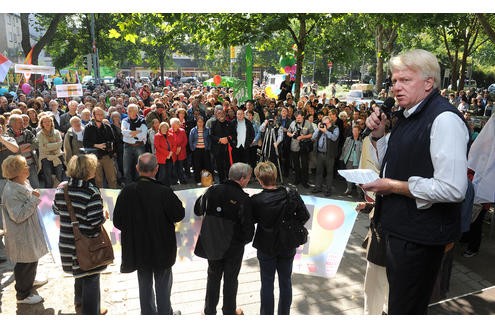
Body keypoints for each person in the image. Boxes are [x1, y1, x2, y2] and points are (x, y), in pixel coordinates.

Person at [362, 49, 469, 314]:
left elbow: (454, 189)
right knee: (399, 304)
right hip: (399, 231)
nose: (396, 87)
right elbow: (397, 160)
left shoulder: (444, 120)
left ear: (429, 83)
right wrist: (378, 136)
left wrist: (394, 187)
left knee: (406, 309)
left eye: (405, 80)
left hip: (420, 238)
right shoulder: (406, 115)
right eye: (394, 80)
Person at [113, 153, 185, 315]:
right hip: (162, 247)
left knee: (144, 283)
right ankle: (165, 313)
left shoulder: (127, 192)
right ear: (157, 169)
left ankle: (148, 314)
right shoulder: (164, 191)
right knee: (163, 284)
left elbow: (118, 222)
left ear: (137, 168)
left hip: (138, 248)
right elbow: (179, 214)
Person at [193, 162, 254, 315]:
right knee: (231, 279)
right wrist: (240, 242)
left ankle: (209, 310)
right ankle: (229, 311)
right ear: (242, 178)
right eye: (248, 178)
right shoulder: (243, 198)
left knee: (213, 276)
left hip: (212, 243)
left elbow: (198, 209)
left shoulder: (211, 190)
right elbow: (248, 231)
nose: (248, 181)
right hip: (233, 247)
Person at [250, 161, 309, 315]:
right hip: (287, 243)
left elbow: (251, 220)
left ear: (259, 180)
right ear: (275, 176)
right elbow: (304, 216)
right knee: (285, 281)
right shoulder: (291, 193)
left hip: (266, 245)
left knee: (267, 283)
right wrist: (289, 225)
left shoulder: (256, 200)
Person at [52, 154, 108, 315]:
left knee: (79, 274)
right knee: (91, 277)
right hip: (87, 245)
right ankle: (91, 312)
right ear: (88, 170)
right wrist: (104, 216)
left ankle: (80, 305)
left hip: (68, 241)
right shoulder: (91, 191)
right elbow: (94, 221)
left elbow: (56, 209)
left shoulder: (61, 187)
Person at [1, 155, 48, 304]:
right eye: (24, 167)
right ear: (17, 172)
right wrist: (34, 199)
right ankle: (23, 294)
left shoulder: (22, 182)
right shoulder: (11, 192)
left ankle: (30, 281)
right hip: (21, 235)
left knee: (31, 259)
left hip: (28, 231)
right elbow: (18, 215)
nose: (28, 168)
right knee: (24, 263)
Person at [82, 107, 118, 188]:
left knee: (112, 178)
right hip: (95, 157)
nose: (100, 116)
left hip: (106, 156)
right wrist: (97, 145)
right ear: (94, 115)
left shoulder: (107, 127)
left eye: (102, 114)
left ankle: (114, 197)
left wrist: (109, 146)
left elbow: (113, 140)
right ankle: (99, 198)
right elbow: (85, 142)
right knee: (98, 180)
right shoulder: (88, 127)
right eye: (98, 114)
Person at [311, 115, 339, 196]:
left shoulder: (335, 128)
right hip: (320, 153)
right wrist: (318, 129)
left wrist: (325, 131)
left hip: (329, 154)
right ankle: (318, 187)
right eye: (323, 123)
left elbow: (334, 138)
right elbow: (313, 137)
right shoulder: (321, 127)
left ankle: (328, 189)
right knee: (319, 172)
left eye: (325, 123)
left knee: (329, 173)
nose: (324, 124)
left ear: (329, 122)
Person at [286, 110, 314, 188]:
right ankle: (297, 180)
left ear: (302, 116)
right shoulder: (293, 123)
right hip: (294, 146)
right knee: (296, 164)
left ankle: (305, 181)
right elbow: (288, 133)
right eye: (296, 118)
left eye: (299, 118)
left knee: (305, 164)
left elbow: (312, 134)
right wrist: (292, 135)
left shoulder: (308, 123)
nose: (297, 119)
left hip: (304, 146)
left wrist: (302, 137)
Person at [121, 103, 147, 185]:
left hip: (139, 146)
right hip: (127, 146)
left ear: (136, 111)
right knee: (126, 168)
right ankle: (128, 186)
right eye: (128, 110)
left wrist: (131, 134)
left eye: (131, 110)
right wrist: (137, 132)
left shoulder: (142, 120)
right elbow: (124, 132)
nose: (129, 112)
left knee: (139, 167)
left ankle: (139, 185)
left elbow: (143, 135)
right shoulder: (124, 121)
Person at [37, 115, 66, 188]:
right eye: (45, 122)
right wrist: (54, 145)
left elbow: (60, 145)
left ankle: (57, 196)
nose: (47, 123)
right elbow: (42, 148)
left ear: (51, 122)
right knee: (48, 179)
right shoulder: (39, 134)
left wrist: (47, 145)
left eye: (48, 121)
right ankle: (47, 198)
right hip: (45, 157)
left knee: (59, 177)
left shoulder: (56, 132)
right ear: (42, 123)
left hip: (57, 156)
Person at [340, 125, 363, 195]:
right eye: (353, 130)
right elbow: (344, 148)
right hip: (349, 159)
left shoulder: (362, 140)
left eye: (356, 131)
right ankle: (348, 189)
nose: (355, 132)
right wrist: (343, 157)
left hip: (357, 161)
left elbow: (363, 151)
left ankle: (359, 192)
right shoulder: (348, 139)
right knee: (349, 175)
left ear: (359, 131)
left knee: (358, 177)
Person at [189, 116, 211, 185]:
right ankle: (198, 180)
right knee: (197, 166)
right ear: (197, 122)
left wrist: (208, 147)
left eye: (201, 122)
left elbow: (209, 139)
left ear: (204, 122)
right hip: (196, 150)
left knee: (207, 165)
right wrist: (193, 148)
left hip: (205, 150)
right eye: (199, 122)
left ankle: (208, 179)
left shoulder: (207, 130)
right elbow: (190, 140)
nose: (200, 123)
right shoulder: (193, 130)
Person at [154, 122, 175, 187]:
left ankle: (168, 187)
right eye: (163, 127)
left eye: (165, 127)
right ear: (160, 128)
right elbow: (157, 147)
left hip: (170, 157)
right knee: (162, 174)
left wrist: (171, 153)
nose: (164, 128)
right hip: (162, 158)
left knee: (168, 173)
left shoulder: (171, 135)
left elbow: (174, 145)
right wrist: (167, 154)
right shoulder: (157, 136)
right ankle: (160, 187)